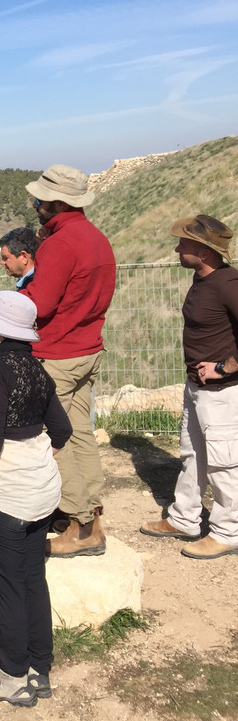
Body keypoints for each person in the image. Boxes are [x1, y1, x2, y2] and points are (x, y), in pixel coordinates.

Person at [0, 291, 70, 707]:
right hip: (41, 490)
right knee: (30, 579)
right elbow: (59, 431)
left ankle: (10, 676)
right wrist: (34, 459)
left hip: (5, 496)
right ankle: (39, 668)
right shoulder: (37, 371)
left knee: (7, 587)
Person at [24, 165, 116, 557]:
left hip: (58, 353)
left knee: (55, 439)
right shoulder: (96, 238)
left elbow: (40, 304)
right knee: (81, 433)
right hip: (88, 348)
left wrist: (12, 303)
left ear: (57, 202)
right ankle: (93, 513)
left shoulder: (59, 245)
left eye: (41, 199)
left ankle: (79, 527)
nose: (36, 204)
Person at [141, 215, 238, 559]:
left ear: (206, 252)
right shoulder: (202, 279)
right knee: (193, 454)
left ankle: (228, 532)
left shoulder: (229, 283)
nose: (177, 248)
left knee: (223, 463)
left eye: (184, 244)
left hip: (223, 393)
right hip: (198, 387)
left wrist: (225, 368)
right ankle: (185, 518)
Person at [0, 227, 39, 291]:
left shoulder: (32, 289)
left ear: (24, 257)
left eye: (5, 258)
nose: (2, 262)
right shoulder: (40, 280)